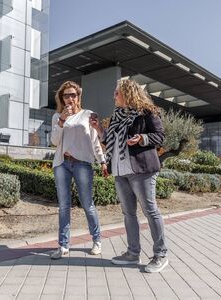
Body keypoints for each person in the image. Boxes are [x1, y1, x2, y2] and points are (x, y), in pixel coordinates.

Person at [91, 79, 168, 273]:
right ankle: (133, 253)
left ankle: (160, 254)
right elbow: (109, 141)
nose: (114, 96)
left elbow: (160, 136)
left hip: (142, 170)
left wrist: (142, 138)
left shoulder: (146, 112)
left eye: (117, 92)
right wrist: (99, 129)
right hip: (120, 171)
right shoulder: (117, 115)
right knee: (129, 213)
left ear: (128, 93)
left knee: (150, 211)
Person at [50, 80, 108, 259]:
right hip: (62, 164)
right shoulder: (57, 116)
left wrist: (103, 161)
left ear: (78, 97)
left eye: (73, 95)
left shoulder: (88, 115)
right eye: (66, 95)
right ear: (62, 98)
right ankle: (63, 245)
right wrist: (61, 120)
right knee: (63, 206)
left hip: (82, 163)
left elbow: (94, 141)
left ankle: (97, 240)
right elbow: (54, 141)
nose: (70, 98)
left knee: (87, 204)